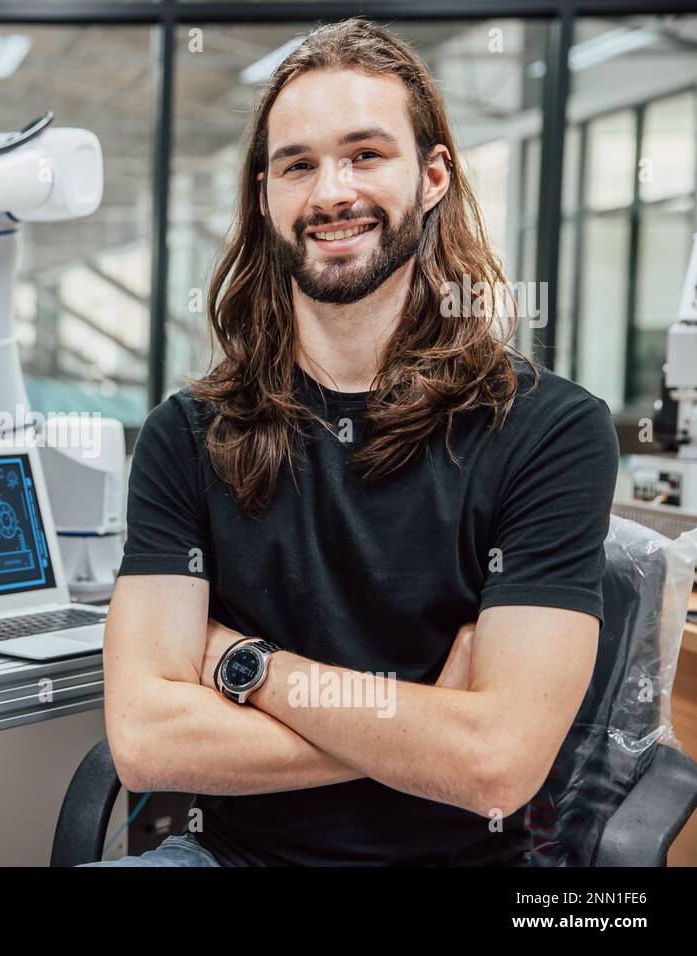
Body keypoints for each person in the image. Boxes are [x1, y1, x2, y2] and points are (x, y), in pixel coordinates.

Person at [94, 17, 619, 866]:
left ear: (433, 175)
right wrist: (422, 729)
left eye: (366, 154)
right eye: (298, 164)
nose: (332, 192)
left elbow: (494, 767)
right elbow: (148, 742)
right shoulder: (187, 435)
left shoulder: (547, 431)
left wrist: (246, 667)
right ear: (266, 196)